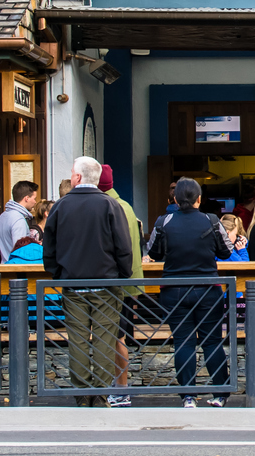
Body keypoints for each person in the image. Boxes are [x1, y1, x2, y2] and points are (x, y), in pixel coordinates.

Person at [43, 155, 134, 408]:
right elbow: (123, 247)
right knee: (106, 340)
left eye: (72, 172)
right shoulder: (110, 205)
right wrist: (122, 275)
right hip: (106, 285)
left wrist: (57, 273)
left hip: (72, 284)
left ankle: (83, 394)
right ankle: (101, 394)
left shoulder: (61, 206)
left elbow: (49, 248)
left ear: (78, 177)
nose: (71, 176)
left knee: (78, 341)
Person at [149, 178, 233, 408]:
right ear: (199, 199)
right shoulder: (211, 220)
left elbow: (154, 252)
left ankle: (188, 396)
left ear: (175, 199)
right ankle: (220, 393)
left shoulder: (163, 221)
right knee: (212, 341)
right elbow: (226, 252)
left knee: (183, 341)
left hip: (174, 289)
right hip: (208, 289)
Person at [99, 164, 144, 408]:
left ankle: (121, 389)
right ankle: (119, 388)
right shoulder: (125, 206)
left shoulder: (108, 207)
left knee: (116, 338)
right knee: (118, 336)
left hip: (114, 284)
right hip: (128, 283)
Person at [0, 180, 39, 262]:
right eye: (34, 198)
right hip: (16, 269)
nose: (35, 202)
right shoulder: (18, 219)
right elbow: (21, 252)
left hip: (5, 267)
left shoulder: (2, 216)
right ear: (26, 198)